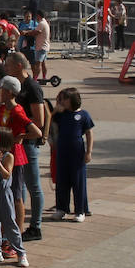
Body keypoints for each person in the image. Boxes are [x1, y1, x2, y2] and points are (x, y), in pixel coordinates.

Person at [4, 54, 46, 241]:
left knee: (33, 186)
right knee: (18, 188)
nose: (5, 67)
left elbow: (40, 119)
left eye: (8, 64)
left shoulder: (32, 87)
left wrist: (24, 133)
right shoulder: (15, 86)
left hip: (27, 144)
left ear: (19, 66)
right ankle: (16, 227)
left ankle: (35, 226)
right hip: (16, 145)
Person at [0, 128, 27, 267]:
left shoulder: (9, 156)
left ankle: (21, 253)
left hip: (4, 194)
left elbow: (7, 174)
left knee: (9, 222)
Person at [50, 88, 94, 221]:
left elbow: (89, 133)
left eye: (64, 99)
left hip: (77, 152)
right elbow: (50, 127)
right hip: (62, 152)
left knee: (78, 181)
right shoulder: (60, 115)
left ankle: (80, 210)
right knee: (62, 180)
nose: (62, 101)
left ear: (71, 99)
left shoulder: (83, 115)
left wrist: (89, 152)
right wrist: (55, 111)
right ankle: (61, 208)